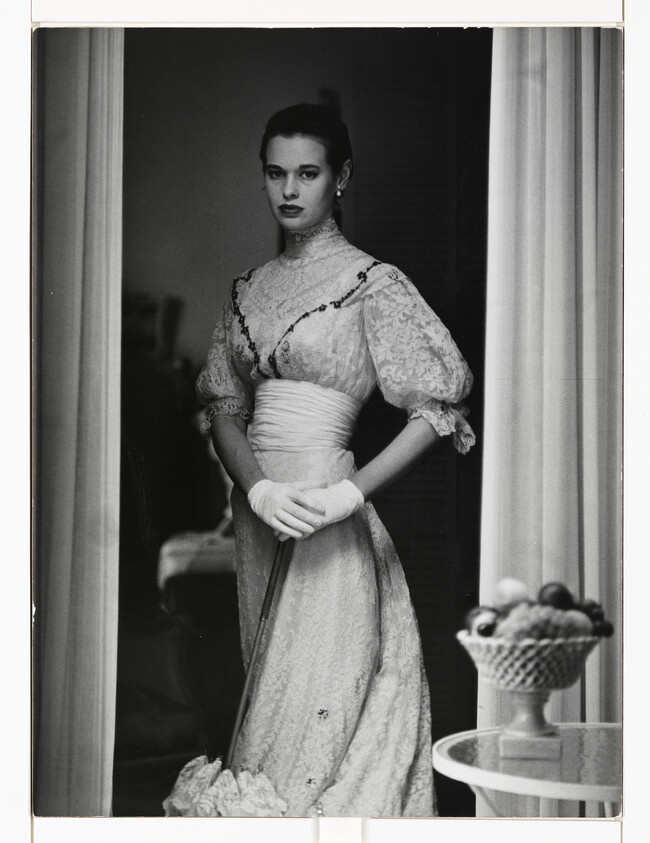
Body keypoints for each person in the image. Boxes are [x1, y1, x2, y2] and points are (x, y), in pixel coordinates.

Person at [195, 103, 475, 817]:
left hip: (329, 519)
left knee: (309, 739)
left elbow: (438, 410)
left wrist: (348, 495)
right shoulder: (246, 289)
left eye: (309, 173)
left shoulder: (371, 283)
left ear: (341, 177)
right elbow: (224, 407)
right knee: (266, 711)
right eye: (276, 173)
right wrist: (255, 491)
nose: (290, 190)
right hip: (261, 520)